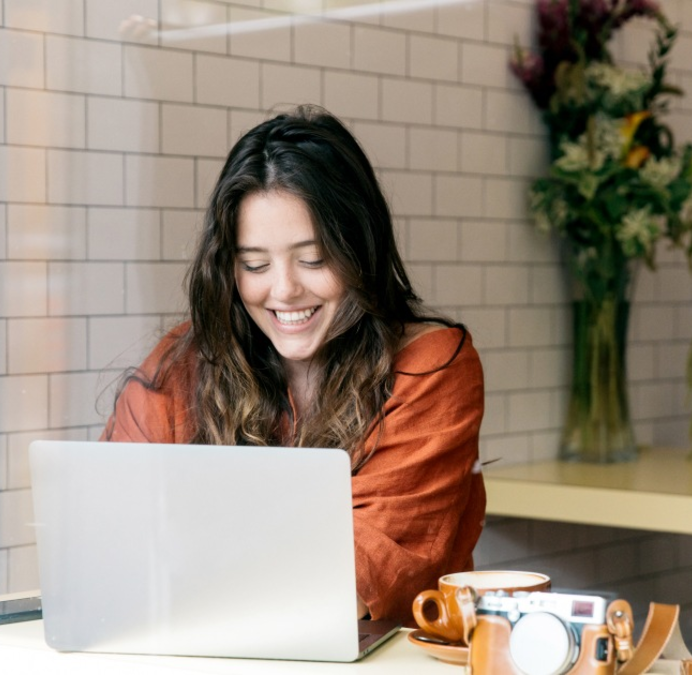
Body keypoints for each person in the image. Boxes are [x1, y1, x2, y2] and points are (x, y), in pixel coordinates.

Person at [100, 105, 486, 624]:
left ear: (359, 249)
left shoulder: (430, 366)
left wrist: (189, 553)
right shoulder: (185, 362)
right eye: (254, 264)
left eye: (313, 259)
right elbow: (109, 542)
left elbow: (354, 579)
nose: (283, 290)